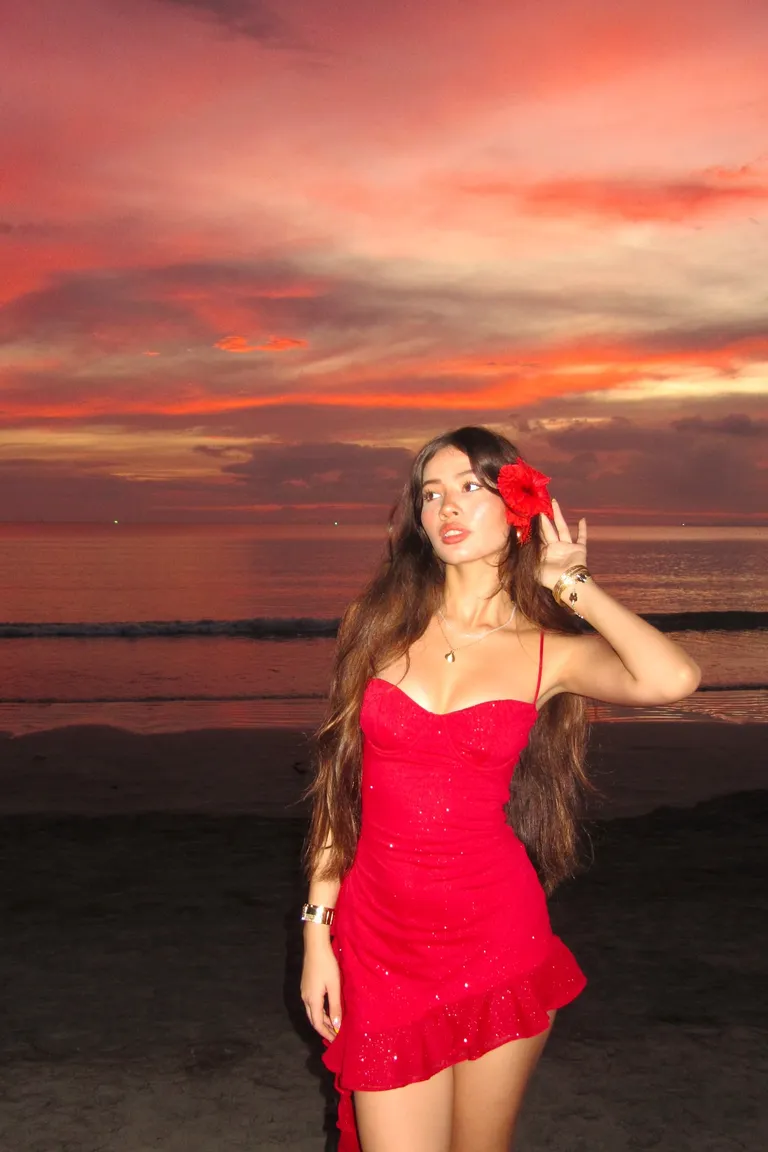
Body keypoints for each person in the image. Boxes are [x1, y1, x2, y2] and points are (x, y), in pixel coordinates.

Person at [301, 425, 701, 1152]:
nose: (447, 506)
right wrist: (316, 933)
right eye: (431, 493)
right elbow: (340, 798)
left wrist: (573, 586)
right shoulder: (377, 629)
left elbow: (672, 679)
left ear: (518, 507)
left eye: (471, 487)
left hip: (496, 938)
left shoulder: (547, 650)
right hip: (378, 943)